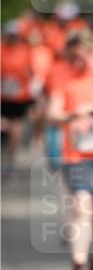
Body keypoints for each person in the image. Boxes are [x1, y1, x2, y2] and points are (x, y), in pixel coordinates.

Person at [45, 31, 93, 270]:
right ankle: (78, 267)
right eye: (72, 57)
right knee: (80, 206)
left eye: (80, 56)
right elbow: (52, 112)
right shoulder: (64, 77)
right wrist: (70, 116)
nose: (76, 62)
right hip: (76, 154)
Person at [1, 20, 35, 177]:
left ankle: (10, 161)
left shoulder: (24, 50)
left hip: (19, 96)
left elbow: (31, 72)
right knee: (9, 126)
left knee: (15, 127)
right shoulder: (2, 48)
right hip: (4, 95)